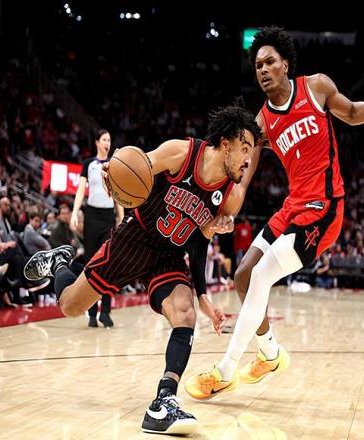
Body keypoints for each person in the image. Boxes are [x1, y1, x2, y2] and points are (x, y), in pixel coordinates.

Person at [186, 26, 364, 399]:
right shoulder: (261, 123)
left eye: (269, 61)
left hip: (325, 208)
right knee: (243, 275)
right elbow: (243, 177)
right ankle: (270, 354)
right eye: (258, 65)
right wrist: (227, 210)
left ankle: (225, 370)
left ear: (285, 64)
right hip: (293, 206)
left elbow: (353, 113)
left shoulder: (316, 87)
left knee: (262, 275)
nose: (263, 69)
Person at [23, 104, 262, 435]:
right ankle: (59, 263)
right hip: (136, 238)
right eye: (245, 148)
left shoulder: (230, 198)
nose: (248, 159)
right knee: (70, 306)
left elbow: (197, 244)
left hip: (170, 256)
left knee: (185, 314)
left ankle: (164, 401)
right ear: (225, 143)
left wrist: (203, 295)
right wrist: (113, 173)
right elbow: (137, 164)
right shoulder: (181, 153)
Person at [70, 129, 124, 328]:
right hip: (92, 217)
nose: (107, 143)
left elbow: (118, 193)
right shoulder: (88, 164)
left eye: (109, 139)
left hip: (108, 217)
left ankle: (106, 312)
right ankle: (92, 312)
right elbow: (80, 191)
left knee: (107, 263)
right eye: (104, 139)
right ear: (97, 142)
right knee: (90, 265)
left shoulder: (114, 164)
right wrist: (75, 212)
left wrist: (121, 218)